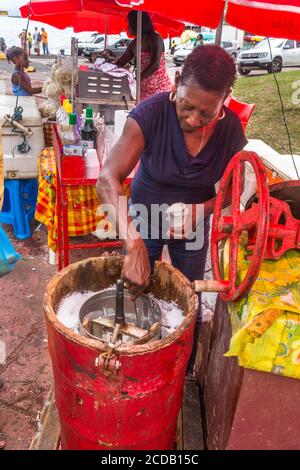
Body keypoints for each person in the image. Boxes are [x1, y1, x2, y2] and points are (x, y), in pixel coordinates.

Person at [97, 45, 247, 374]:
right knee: (136, 287)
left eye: (206, 113)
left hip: (191, 227)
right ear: (176, 81)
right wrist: (133, 242)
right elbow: (107, 178)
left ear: (226, 98)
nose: (194, 119)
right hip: (143, 217)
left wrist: (202, 210)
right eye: (186, 106)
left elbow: (236, 188)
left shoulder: (231, 130)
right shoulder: (150, 115)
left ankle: (180, 370)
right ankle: (137, 366)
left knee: (185, 300)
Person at [116, 11, 171, 101]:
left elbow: (155, 65)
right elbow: (121, 62)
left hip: (159, 89)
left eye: (129, 24)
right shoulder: (134, 43)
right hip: (143, 90)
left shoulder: (155, 38)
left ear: (137, 24)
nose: (128, 28)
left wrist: (135, 80)